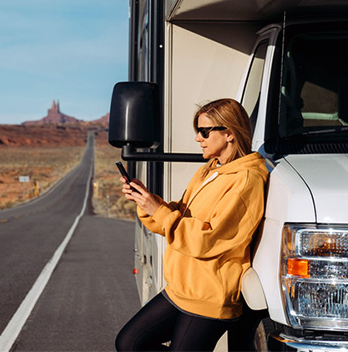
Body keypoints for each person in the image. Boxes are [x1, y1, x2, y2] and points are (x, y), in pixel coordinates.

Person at [115, 98, 269, 351]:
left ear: (229, 133)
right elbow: (180, 217)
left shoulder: (246, 181)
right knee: (130, 342)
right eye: (197, 131)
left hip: (209, 295)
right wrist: (148, 202)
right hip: (181, 288)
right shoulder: (210, 170)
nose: (198, 138)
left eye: (204, 131)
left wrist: (159, 210)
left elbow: (209, 239)